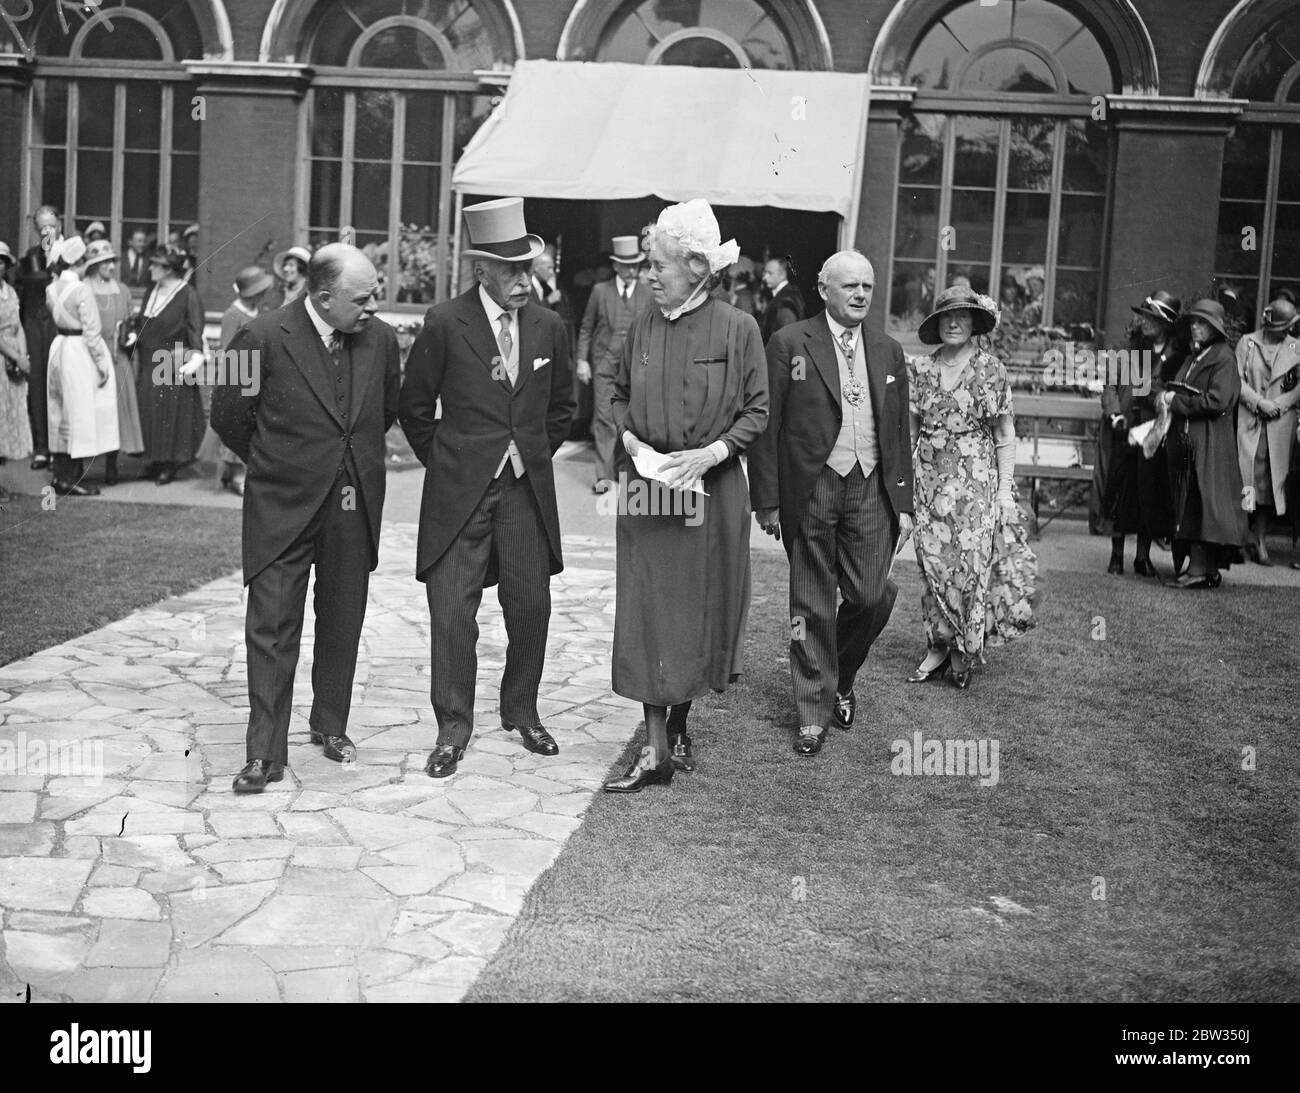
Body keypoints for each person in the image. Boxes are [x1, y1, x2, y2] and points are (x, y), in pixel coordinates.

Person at [212, 244, 400, 793]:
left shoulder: (382, 340)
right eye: (363, 298)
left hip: (351, 504)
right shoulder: (262, 337)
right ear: (322, 296)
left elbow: (384, 412)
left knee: (343, 619)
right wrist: (280, 467)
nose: (373, 307)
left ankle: (331, 725)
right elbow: (228, 416)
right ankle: (263, 753)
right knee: (271, 628)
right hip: (281, 509)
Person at [399, 198, 575, 781]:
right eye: (511, 270)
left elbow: (562, 411)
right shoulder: (445, 322)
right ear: (481, 271)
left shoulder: (550, 326)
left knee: (530, 606)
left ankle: (521, 711)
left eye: (528, 267)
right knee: (453, 611)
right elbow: (415, 408)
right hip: (459, 495)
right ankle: (453, 728)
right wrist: (453, 464)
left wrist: (526, 459)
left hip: (525, 492)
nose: (525, 279)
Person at [603, 199, 767, 790]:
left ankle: (676, 728)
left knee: (695, 612)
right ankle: (655, 748)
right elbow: (616, 390)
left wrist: (712, 453)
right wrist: (627, 434)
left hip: (709, 493)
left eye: (660, 266)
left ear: (697, 270)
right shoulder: (642, 323)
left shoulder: (739, 329)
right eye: (649, 265)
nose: (649, 275)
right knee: (647, 608)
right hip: (647, 492)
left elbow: (757, 410)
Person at [749, 250, 913, 756]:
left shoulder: (888, 351)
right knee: (812, 603)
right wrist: (769, 502)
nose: (861, 294)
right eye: (850, 286)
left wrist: (904, 501)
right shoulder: (790, 342)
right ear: (824, 290)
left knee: (871, 595)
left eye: (868, 285)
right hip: (813, 486)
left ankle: (839, 677)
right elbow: (766, 427)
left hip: (870, 487)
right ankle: (813, 712)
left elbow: (898, 429)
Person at [907, 286, 1037, 688]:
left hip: (974, 486)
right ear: (937, 323)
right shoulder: (921, 371)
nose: (953, 322)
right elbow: (910, 431)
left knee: (968, 567)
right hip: (927, 484)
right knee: (932, 566)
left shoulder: (990, 370)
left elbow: (1004, 434)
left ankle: (964, 648)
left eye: (962, 316)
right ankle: (938, 646)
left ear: (975, 323)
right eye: (947, 316)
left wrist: (1003, 492)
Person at [1161, 299, 1247, 589]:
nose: (1196, 327)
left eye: (1202, 323)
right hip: (1193, 439)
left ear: (1215, 328)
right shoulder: (1196, 355)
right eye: (1194, 323)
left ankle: (1201, 569)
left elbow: (1218, 401)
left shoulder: (1223, 357)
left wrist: (1177, 402)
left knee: (1203, 501)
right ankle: (1204, 568)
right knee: (1195, 501)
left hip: (1210, 440)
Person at [1097, 291, 1185, 576]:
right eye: (1144, 316)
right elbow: (1110, 387)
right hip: (1125, 428)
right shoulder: (1128, 350)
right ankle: (1116, 556)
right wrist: (1114, 414)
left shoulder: (1177, 356)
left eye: (1153, 318)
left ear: (1167, 323)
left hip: (1155, 432)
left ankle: (1142, 558)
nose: (1145, 322)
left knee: (1149, 490)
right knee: (1121, 489)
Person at [575, 234, 654, 494]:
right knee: (604, 420)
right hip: (604, 366)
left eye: (636, 265)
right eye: (626, 265)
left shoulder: (648, 294)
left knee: (629, 421)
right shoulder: (600, 291)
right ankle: (603, 476)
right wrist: (582, 360)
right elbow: (586, 327)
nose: (632, 270)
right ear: (616, 266)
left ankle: (623, 469)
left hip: (636, 369)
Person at [44, 237, 118, 497]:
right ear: (80, 263)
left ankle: (61, 474)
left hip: (59, 347)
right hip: (78, 351)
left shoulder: (51, 287)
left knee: (60, 410)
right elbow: (92, 331)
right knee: (78, 412)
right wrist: (101, 363)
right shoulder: (81, 290)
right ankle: (71, 477)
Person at [199, 265, 275, 495]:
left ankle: (243, 472)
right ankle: (236, 474)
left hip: (256, 371)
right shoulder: (233, 314)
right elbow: (226, 349)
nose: (263, 294)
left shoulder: (258, 311)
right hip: (238, 373)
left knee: (254, 422)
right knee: (238, 421)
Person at [1236, 298, 1300, 566]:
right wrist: (1258, 402)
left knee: (1271, 484)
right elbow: (1235, 379)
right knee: (1246, 478)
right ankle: (1241, 538)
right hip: (1250, 420)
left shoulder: (1296, 347)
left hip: (1278, 424)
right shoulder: (1247, 342)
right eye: (1283, 327)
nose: (1287, 332)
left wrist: (1279, 404)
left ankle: (1260, 539)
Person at [135, 244, 206, 485]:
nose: (151, 268)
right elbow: (143, 324)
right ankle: (155, 460)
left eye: (156, 264)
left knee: (170, 412)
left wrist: (197, 355)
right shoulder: (150, 291)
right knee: (150, 411)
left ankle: (169, 463)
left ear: (168, 269)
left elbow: (195, 328)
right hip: (148, 359)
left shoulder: (187, 294)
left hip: (172, 361)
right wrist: (135, 336)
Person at [84, 239, 144, 486]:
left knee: (117, 411)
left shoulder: (122, 289)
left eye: (111, 261)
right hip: (91, 356)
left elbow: (131, 320)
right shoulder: (84, 288)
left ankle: (111, 465)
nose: (110, 266)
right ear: (93, 265)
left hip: (118, 357)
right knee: (89, 410)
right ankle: (80, 466)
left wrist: (131, 335)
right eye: (104, 262)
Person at [17, 205, 63, 470]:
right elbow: (24, 301)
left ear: (59, 226)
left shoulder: (71, 253)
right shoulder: (31, 256)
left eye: (51, 225)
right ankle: (42, 447)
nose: (47, 230)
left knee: (62, 384)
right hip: (36, 323)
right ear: (36, 230)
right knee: (38, 384)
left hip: (64, 326)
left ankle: (63, 448)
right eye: (41, 227)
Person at [0, 241, 34, 477]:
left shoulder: (9, 291)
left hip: (13, 355)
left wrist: (23, 355)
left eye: (2, 261)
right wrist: (14, 356)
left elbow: (18, 325)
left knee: (11, 414)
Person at [759, 255, 805, 344]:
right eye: (764, 273)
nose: (764, 277)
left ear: (782, 275)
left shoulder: (786, 300)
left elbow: (786, 338)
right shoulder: (786, 294)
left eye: (770, 273)